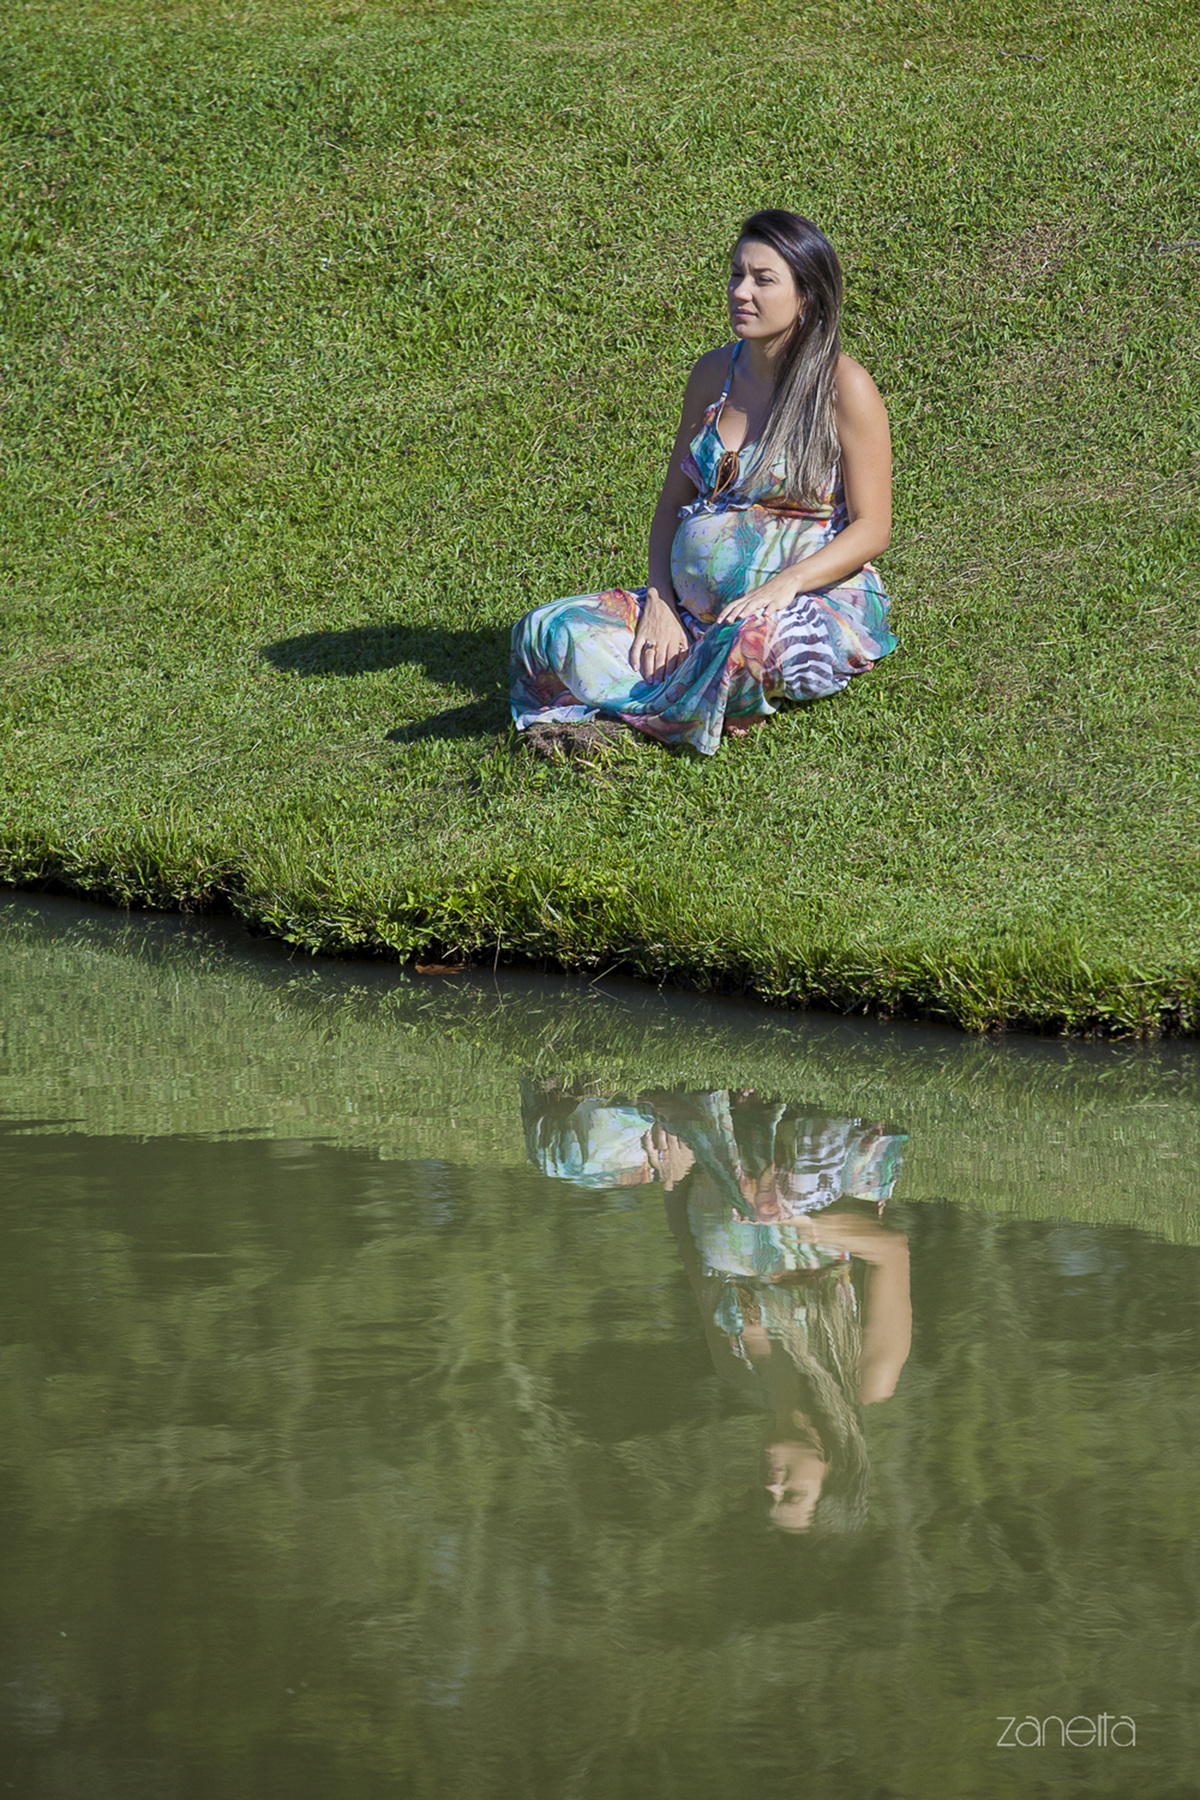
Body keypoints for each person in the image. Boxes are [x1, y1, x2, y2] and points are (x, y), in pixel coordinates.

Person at [510, 209, 897, 757]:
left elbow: (872, 527)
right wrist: (661, 604)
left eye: (764, 280)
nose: (742, 291)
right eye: (737, 274)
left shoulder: (843, 386)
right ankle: (684, 700)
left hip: (807, 602)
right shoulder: (712, 374)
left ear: (806, 295)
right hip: (692, 615)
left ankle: (643, 705)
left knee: (744, 647)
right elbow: (673, 503)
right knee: (546, 628)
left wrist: (783, 585)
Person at [521, 1084, 911, 1533]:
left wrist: (676, 1174)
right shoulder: (868, 1376)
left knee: (567, 1157)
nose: (771, 1486)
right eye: (793, 1493)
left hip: (707, 1162)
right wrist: (798, 1224)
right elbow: (890, 1250)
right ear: (835, 1466)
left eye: (767, 1499)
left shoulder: (735, 1366)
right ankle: (741, 1108)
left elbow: (693, 1256)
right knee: (784, 1185)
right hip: (809, 1185)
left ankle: (690, 1107)